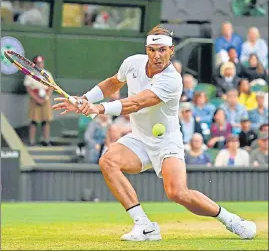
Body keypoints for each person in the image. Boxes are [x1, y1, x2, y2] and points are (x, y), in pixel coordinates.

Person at [52, 25, 256, 241]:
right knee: (108, 161)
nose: (156, 55)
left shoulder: (172, 80)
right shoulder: (132, 63)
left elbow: (137, 103)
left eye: (161, 50)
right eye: (152, 50)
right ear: (146, 49)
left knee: (177, 193)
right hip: (139, 138)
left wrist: (99, 108)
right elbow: (113, 83)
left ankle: (231, 220)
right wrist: (86, 99)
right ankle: (144, 225)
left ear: (171, 50)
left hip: (167, 142)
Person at [24, 55, 53, 146]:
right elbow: (28, 88)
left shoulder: (47, 74)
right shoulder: (30, 74)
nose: (41, 64)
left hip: (45, 98)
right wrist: (36, 98)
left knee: (46, 120)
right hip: (35, 99)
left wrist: (46, 97)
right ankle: (31, 141)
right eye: (38, 63)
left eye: (41, 62)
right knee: (34, 121)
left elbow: (51, 87)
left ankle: (46, 140)